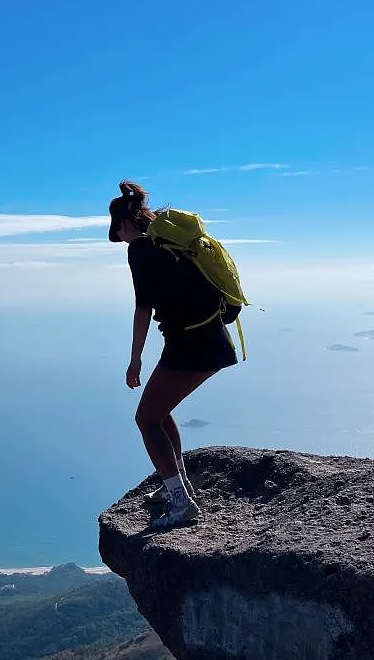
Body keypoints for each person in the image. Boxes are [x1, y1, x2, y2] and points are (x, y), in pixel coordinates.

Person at [109, 180, 240, 527]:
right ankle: (176, 488)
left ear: (122, 224)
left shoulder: (140, 250)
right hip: (212, 338)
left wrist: (134, 359)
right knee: (160, 412)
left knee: (147, 419)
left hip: (190, 345)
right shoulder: (171, 246)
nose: (118, 238)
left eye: (116, 231)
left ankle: (181, 503)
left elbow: (143, 308)